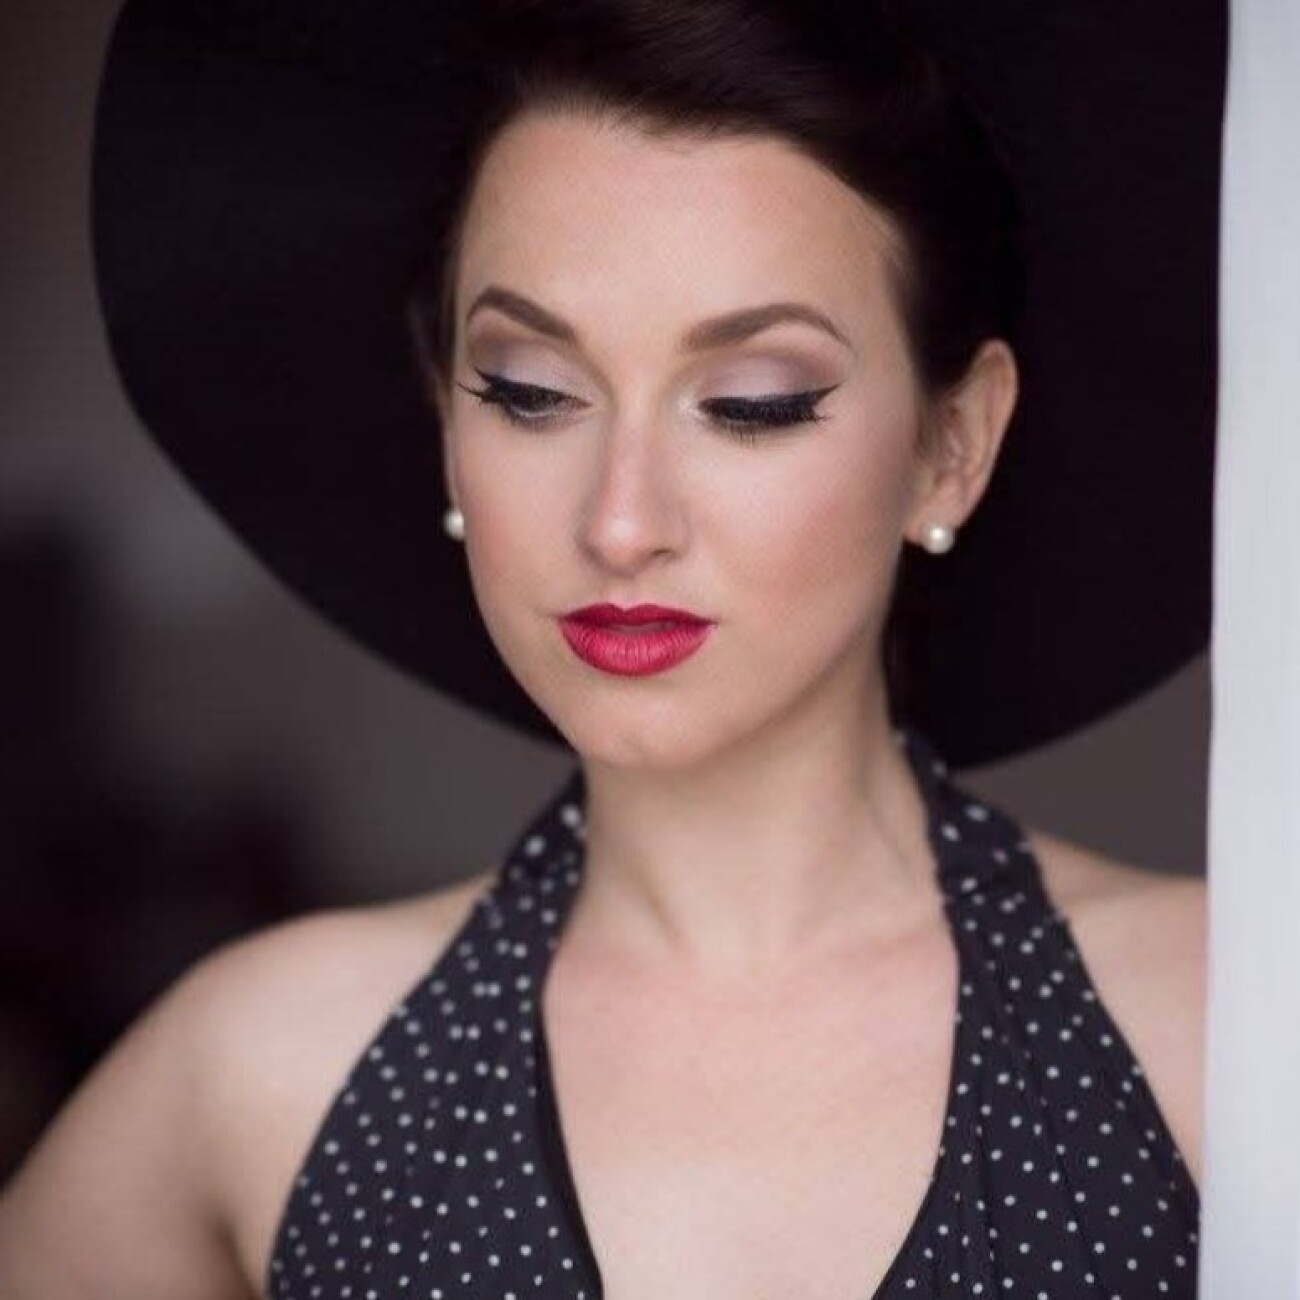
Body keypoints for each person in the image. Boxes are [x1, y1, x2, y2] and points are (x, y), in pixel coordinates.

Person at [0, 0, 1221, 1296]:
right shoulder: (267, 1066)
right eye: (530, 392)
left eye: (752, 403)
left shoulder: (1222, 1021)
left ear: (952, 445)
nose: (620, 522)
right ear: (447, 424)